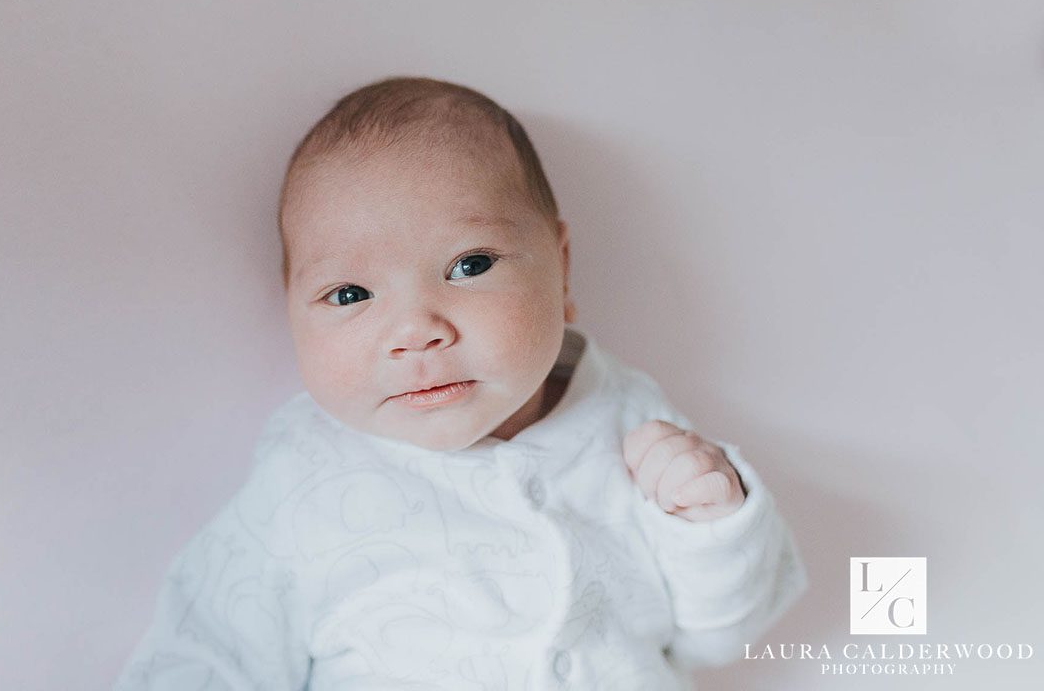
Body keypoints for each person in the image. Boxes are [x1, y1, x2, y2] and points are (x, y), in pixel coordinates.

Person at [114, 77, 808, 690]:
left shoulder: (630, 423)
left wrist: (715, 526)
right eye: (351, 293)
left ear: (562, 271)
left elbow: (720, 638)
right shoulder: (303, 478)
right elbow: (207, 655)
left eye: (470, 265)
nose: (416, 330)